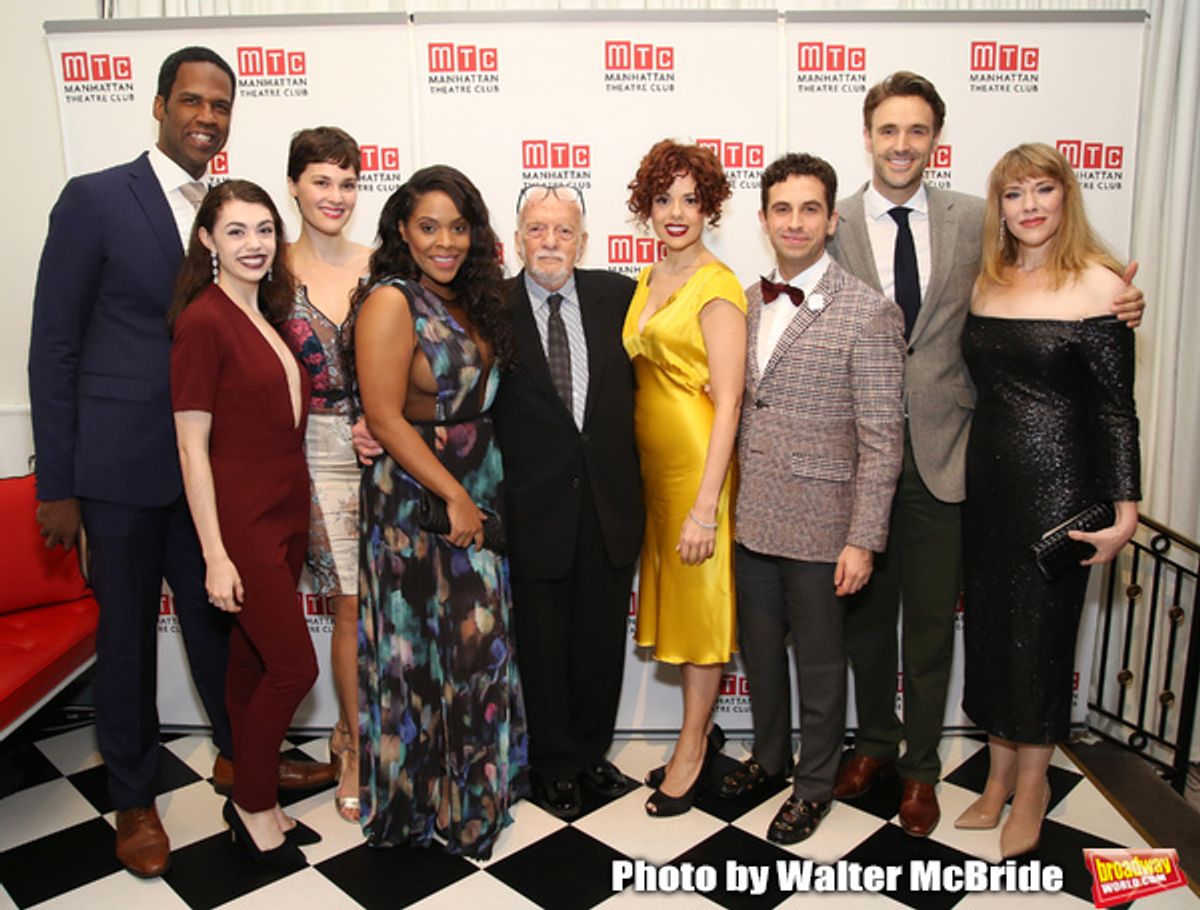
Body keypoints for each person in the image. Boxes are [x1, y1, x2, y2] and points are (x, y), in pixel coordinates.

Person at [829, 71, 1146, 836]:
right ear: (868, 136)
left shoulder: (976, 219)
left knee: (936, 628)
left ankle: (922, 770)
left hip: (956, 459)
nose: (902, 144)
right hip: (868, 459)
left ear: (936, 140)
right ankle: (874, 745)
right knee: (869, 624)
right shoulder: (829, 224)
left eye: (917, 130)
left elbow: (1073, 301)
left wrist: (1123, 300)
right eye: (888, 129)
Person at [27, 47, 243, 878]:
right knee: (125, 642)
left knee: (218, 624)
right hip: (117, 472)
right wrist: (60, 484)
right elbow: (53, 345)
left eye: (220, 105)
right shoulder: (94, 199)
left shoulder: (228, 211)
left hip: (204, 472)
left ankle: (239, 760)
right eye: (191, 100)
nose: (206, 117)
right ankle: (134, 797)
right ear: (159, 105)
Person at [958, 142, 1140, 857]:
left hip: (1061, 492)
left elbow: (1116, 411)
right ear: (999, 207)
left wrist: (1125, 511)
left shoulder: (1101, 285)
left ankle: (1032, 787)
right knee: (994, 636)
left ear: (1066, 196)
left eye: (1043, 189)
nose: (1029, 206)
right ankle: (997, 777)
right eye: (1014, 193)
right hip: (988, 488)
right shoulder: (986, 280)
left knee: (1039, 642)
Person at [725, 153, 905, 844]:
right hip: (753, 517)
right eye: (782, 209)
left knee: (822, 664)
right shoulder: (745, 302)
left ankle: (814, 785)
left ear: (831, 220)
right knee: (760, 653)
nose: (794, 222)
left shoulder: (869, 311)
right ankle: (770, 758)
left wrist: (863, 538)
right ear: (764, 218)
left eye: (809, 209)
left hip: (825, 526)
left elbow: (883, 439)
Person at [351, 165, 528, 859]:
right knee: (419, 653)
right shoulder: (391, 301)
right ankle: (418, 803)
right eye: (428, 227)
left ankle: (472, 802)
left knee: (475, 651)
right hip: (415, 503)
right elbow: (383, 417)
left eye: (458, 227)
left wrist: (474, 490)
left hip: (477, 484)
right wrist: (453, 494)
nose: (445, 241)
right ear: (402, 229)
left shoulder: (472, 299)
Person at [170, 180, 319, 870]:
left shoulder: (265, 314)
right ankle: (253, 804)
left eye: (264, 229)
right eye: (235, 231)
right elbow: (190, 447)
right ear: (207, 240)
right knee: (294, 667)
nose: (254, 244)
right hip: (242, 525)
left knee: (251, 662)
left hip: (284, 514)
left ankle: (254, 796)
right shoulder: (203, 321)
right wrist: (215, 554)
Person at [491, 185, 644, 820]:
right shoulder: (491, 308)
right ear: (517, 239)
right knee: (543, 645)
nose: (549, 242)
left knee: (601, 643)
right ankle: (552, 762)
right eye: (536, 229)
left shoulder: (621, 296)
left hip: (610, 505)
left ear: (582, 241)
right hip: (532, 509)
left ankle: (590, 754)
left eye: (562, 231)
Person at [622, 140, 746, 817]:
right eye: (664, 198)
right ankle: (697, 732)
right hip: (655, 475)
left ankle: (692, 748)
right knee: (680, 602)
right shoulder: (649, 276)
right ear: (646, 206)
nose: (676, 212)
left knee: (701, 611)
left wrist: (706, 507)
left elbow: (729, 401)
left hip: (699, 469)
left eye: (691, 200)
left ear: (710, 208)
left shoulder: (717, 284)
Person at [279, 127, 372, 823]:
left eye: (347, 183)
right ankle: (354, 747)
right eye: (321, 181)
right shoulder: (268, 266)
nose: (335, 196)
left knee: (384, 599)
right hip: (309, 451)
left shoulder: (380, 265)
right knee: (347, 602)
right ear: (293, 186)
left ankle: (361, 727)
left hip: (385, 449)